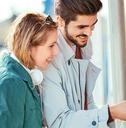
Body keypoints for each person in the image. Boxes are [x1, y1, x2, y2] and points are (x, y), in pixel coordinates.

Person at [42, 0, 126, 128]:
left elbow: (86, 103)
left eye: (92, 25)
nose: (89, 33)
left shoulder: (83, 44)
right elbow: (59, 122)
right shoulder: (48, 57)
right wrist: (111, 112)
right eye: (81, 27)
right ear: (60, 21)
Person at [0, 13, 58, 128]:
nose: (56, 52)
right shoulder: (11, 83)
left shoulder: (25, 77)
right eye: (51, 46)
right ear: (29, 46)